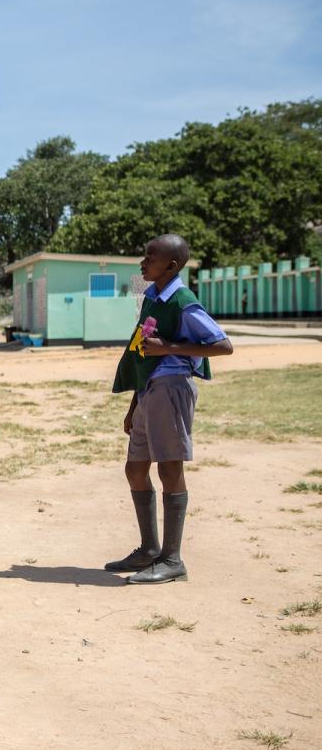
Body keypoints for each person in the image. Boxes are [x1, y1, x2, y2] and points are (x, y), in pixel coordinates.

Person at [108, 234, 233, 585]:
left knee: (169, 468)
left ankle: (172, 560)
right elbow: (142, 353)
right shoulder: (152, 297)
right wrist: (134, 404)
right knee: (135, 469)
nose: (143, 262)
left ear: (172, 265)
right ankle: (150, 549)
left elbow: (223, 345)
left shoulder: (183, 300)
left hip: (171, 388)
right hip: (149, 392)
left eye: (151, 257)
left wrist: (170, 348)